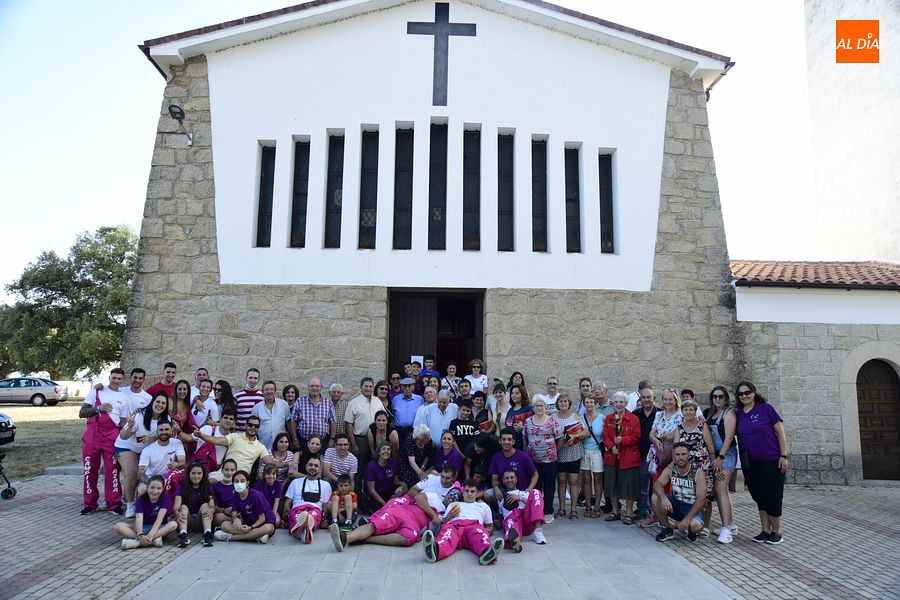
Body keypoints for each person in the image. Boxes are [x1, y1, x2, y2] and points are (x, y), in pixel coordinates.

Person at [735, 381, 788, 545]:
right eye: (741, 394)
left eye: (747, 392)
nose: (744, 396)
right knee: (759, 496)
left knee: (773, 495)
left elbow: (780, 432)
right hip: (750, 463)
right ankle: (765, 530)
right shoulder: (738, 414)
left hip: (771, 460)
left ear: (754, 392)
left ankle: (776, 532)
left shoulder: (766, 408)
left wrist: (784, 456)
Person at [330, 487, 443, 551]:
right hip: (404, 511)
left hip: (415, 525)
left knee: (408, 539)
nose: (452, 497)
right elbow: (419, 498)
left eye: (455, 496)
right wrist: (433, 516)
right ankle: (346, 538)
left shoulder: (449, 511)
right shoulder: (436, 497)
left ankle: (364, 539)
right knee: (376, 525)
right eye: (452, 494)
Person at [421, 478, 504, 565]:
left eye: (472, 491)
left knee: (480, 535)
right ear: (463, 493)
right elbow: (441, 525)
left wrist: (488, 531)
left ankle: (487, 553)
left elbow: (490, 525)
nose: (469, 494)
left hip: (474, 526)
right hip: (454, 526)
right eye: (467, 491)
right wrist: (449, 516)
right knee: (447, 535)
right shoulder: (453, 505)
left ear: (477, 493)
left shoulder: (483, 506)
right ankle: (435, 550)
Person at [80, 367, 128, 515]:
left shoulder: (124, 397)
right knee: (89, 470)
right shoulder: (97, 391)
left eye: (119, 379)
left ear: (122, 380)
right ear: (109, 377)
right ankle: (89, 503)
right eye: (114, 378)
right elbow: (82, 412)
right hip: (92, 436)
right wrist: (98, 408)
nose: (116, 381)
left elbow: (122, 420)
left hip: (111, 437)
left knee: (113, 471)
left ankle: (113, 504)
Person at [117, 390, 169, 518]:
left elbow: (164, 435)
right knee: (131, 473)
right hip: (127, 447)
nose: (160, 405)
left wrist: (152, 439)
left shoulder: (166, 418)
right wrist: (129, 427)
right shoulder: (140, 415)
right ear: (152, 402)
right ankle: (130, 504)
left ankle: (132, 496)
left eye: (163, 403)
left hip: (146, 450)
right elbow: (123, 436)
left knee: (146, 474)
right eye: (158, 401)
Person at [674, 396, 716, 535]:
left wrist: (714, 462)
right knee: (689, 495)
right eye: (685, 410)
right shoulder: (679, 428)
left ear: (695, 411)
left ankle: (706, 525)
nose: (688, 412)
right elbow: (676, 447)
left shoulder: (702, 426)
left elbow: (710, 446)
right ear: (682, 412)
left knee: (706, 496)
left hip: (703, 466)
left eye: (691, 409)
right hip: (686, 467)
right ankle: (689, 522)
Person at [652, 443, 708, 542]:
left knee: (696, 526)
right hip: (676, 505)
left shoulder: (698, 473)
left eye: (683, 454)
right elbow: (658, 484)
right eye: (677, 455)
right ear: (674, 456)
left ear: (689, 455)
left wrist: (687, 520)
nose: (680, 457)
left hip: (692, 507)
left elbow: (702, 499)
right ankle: (667, 528)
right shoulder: (670, 470)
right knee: (655, 498)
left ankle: (690, 530)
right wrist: (664, 498)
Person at [703, 385, 738, 543]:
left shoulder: (728, 413)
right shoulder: (710, 413)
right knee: (721, 491)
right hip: (715, 455)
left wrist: (720, 458)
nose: (717, 399)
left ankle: (726, 530)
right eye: (715, 396)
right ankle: (730, 524)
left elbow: (729, 437)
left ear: (726, 397)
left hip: (726, 454)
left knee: (720, 488)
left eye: (721, 396)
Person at [192, 414, 273, 480]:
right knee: (210, 481)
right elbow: (216, 440)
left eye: (256, 426)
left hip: (241, 478)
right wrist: (201, 435)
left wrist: (283, 464)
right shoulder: (235, 436)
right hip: (224, 473)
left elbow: (270, 463)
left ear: (258, 428)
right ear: (246, 425)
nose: (253, 428)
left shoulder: (260, 447)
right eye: (250, 425)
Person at [602, 391, 641, 524]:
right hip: (612, 457)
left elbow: (636, 437)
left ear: (626, 403)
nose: (618, 404)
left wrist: (622, 440)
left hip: (628, 457)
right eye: (616, 401)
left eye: (621, 402)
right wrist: (612, 445)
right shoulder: (608, 418)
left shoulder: (634, 418)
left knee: (628, 486)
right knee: (612, 484)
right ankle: (615, 511)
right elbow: (605, 436)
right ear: (613, 402)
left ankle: (629, 513)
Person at [523, 395, 562, 522]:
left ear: (545, 407)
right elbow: (525, 438)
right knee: (536, 487)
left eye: (542, 405)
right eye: (537, 405)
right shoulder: (528, 421)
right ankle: (537, 511)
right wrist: (525, 455)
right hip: (533, 460)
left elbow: (560, 437)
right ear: (533, 407)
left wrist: (554, 450)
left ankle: (548, 511)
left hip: (549, 460)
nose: (539, 408)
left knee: (549, 485)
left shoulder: (552, 421)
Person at [115, 475, 177, 549]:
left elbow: (159, 519)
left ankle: (137, 543)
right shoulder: (141, 499)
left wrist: (150, 535)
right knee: (118, 526)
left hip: (158, 528)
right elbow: (139, 519)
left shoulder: (165, 498)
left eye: (159, 488)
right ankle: (151, 541)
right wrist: (140, 534)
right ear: (147, 487)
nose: (155, 491)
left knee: (173, 524)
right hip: (143, 527)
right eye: (152, 487)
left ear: (163, 489)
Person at [214, 470, 276, 543]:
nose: (239, 483)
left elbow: (262, 518)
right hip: (247, 524)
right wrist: (235, 519)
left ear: (247, 483)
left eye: (242, 481)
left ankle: (232, 537)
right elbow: (234, 512)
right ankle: (256, 536)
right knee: (224, 525)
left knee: (267, 528)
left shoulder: (256, 495)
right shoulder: (236, 495)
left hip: (263, 524)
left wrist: (251, 527)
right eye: (236, 481)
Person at [285, 456, 333, 544]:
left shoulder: (325, 485)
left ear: (319, 469)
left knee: (312, 517)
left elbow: (325, 506)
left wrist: (325, 519)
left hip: (315, 510)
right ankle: (305, 532)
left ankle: (300, 531)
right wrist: (286, 516)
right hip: (297, 509)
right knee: (296, 517)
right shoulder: (295, 482)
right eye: (310, 465)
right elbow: (288, 503)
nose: (313, 467)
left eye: (316, 466)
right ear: (306, 467)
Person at [344, 377, 380, 492]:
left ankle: (371, 494)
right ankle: (358, 496)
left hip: (376, 439)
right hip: (361, 440)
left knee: (374, 468)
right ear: (361, 387)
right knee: (359, 469)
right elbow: (348, 424)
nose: (368, 388)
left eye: (370, 386)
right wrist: (354, 444)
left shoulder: (377, 401)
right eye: (366, 386)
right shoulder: (353, 403)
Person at [489, 428, 539, 510]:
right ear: (499, 441)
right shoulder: (496, 457)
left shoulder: (523, 456)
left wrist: (529, 489)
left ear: (513, 441)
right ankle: (498, 512)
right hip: (504, 492)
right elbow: (494, 479)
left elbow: (535, 475)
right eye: (504, 439)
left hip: (522, 492)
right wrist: (496, 488)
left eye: (509, 439)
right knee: (488, 495)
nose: (506, 442)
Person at [554, 392, 585, 520]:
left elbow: (583, 432)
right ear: (557, 404)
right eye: (561, 401)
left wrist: (576, 436)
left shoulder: (575, 417)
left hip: (573, 452)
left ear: (569, 404)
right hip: (560, 452)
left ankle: (573, 509)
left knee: (573, 482)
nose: (563, 403)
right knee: (561, 481)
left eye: (565, 401)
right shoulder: (553, 418)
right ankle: (561, 508)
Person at [499, 468, 547, 550]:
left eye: (512, 477)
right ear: (503, 481)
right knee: (510, 520)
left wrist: (520, 498)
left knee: (536, 491)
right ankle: (514, 542)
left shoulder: (525, 494)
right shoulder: (501, 499)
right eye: (507, 478)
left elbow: (534, 506)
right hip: (514, 521)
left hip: (527, 521)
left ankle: (538, 531)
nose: (509, 480)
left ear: (516, 479)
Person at [634, 387, 659, 526]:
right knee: (642, 485)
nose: (646, 400)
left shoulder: (660, 414)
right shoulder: (635, 414)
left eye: (649, 397)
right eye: (643, 397)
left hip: (657, 456)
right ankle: (643, 511)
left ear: (654, 398)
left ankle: (656, 513)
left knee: (656, 485)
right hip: (642, 455)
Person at [173, 461, 214, 547]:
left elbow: (212, 505)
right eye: (193, 473)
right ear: (189, 474)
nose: (196, 476)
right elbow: (176, 505)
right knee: (183, 506)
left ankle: (207, 534)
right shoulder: (182, 486)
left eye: (199, 473)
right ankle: (183, 534)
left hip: (201, 520)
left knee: (205, 505)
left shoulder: (207, 486)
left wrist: (211, 511)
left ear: (203, 474)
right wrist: (177, 512)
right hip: (187, 520)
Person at [288, 377, 336, 451]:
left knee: (321, 461)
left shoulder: (328, 402)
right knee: (304, 461)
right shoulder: (300, 401)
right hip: (303, 441)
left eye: (317, 386)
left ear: (321, 387)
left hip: (322, 442)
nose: (314, 388)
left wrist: (332, 439)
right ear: (308, 387)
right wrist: (295, 438)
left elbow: (332, 422)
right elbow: (293, 420)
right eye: (312, 386)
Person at [137, 419, 185, 489]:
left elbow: (183, 462)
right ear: (157, 432)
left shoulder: (177, 443)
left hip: (170, 478)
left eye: (166, 429)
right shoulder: (147, 450)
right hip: (152, 479)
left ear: (171, 431)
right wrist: (154, 483)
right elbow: (141, 473)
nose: (164, 432)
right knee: (141, 489)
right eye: (161, 430)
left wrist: (176, 464)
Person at [579, 395, 605, 518]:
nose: (589, 404)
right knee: (586, 479)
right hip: (584, 450)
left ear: (595, 403)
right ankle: (588, 506)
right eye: (587, 402)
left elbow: (605, 436)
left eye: (591, 402)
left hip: (597, 452)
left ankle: (597, 506)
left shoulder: (602, 418)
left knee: (598, 480)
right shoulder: (581, 418)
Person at [194, 408, 236, 475]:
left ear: (234, 423)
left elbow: (217, 441)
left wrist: (201, 436)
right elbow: (188, 438)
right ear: (220, 419)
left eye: (231, 419)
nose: (228, 421)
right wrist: (178, 432)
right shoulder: (207, 428)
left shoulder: (233, 438)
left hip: (214, 471)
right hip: (196, 467)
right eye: (226, 418)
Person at [251, 380, 291, 450]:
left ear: (275, 391)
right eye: (266, 389)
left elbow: (288, 423)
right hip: (263, 445)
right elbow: (253, 426)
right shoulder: (257, 408)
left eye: (271, 389)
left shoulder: (284, 405)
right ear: (262, 392)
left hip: (281, 445)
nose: (269, 392)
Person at [365, 441, 405, 511]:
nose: (386, 451)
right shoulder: (371, 466)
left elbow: (395, 481)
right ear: (378, 452)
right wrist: (384, 504)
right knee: (382, 510)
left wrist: (402, 483)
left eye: (388, 449)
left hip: (388, 492)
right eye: (383, 449)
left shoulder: (393, 462)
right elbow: (372, 490)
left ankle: (392, 500)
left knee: (403, 490)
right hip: (375, 495)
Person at [392, 377, 424, 442]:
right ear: (401, 387)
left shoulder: (419, 399)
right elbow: (393, 413)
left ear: (413, 387)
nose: (407, 388)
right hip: (399, 430)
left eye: (409, 386)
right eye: (404, 386)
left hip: (413, 430)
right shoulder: (396, 399)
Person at [504, 384, 534, 451]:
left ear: (522, 394)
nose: (514, 395)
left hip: (524, 446)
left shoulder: (529, 409)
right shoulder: (510, 410)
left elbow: (535, 427)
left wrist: (522, 428)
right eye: (512, 393)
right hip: (511, 446)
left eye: (517, 393)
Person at [254, 463, 284, 528]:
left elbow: (277, 501)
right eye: (268, 474)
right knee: (262, 520)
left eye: (273, 474)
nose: (271, 476)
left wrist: (273, 514)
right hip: (261, 509)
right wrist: (266, 514)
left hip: (272, 508)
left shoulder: (278, 484)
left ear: (276, 475)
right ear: (264, 475)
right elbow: (260, 501)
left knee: (276, 521)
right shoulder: (259, 484)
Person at [212, 459, 238, 528]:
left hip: (238, 513)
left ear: (236, 471)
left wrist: (237, 511)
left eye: (232, 470)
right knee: (217, 518)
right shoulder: (215, 486)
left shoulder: (239, 485)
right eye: (226, 470)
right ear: (222, 470)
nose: (229, 473)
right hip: (224, 514)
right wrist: (224, 510)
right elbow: (213, 506)